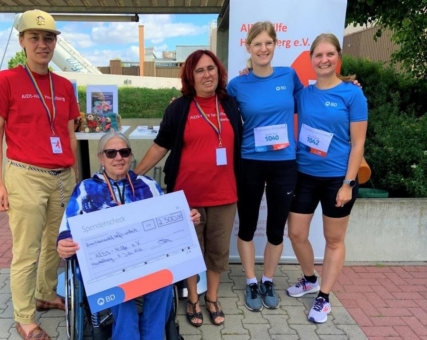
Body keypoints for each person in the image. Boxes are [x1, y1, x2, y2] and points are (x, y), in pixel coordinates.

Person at [0, 9, 79, 340]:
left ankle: (45, 293)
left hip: (62, 175)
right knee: (26, 250)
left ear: (55, 43)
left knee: (56, 240)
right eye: (35, 37)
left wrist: (75, 178)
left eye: (49, 38)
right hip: (25, 175)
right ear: (22, 41)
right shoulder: (6, 81)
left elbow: (68, 135)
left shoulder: (65, 85)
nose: (43, 44)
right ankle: (24, 317)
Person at [56, 132, 201, 340]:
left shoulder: (147, 185)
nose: (118, 157)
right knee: (122, 297)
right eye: (111, 152)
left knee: (164, 281)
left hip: (147, 262)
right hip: (107, 267)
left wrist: (186, 219)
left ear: (130, 156)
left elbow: (168, 218)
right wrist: (63, 244)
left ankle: (153, 335)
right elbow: (67, 228)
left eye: (124, 152)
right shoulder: (86, 189)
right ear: (101, 158)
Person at [134, 50, 242, 327]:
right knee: (189, 251)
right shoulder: (179, 108)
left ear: (219, 72)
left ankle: (213, 297)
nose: (207, 75)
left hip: (224, 194)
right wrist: (133, 176)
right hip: (186, 196)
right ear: (190, 77)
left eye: (211, 69)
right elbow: (160, 146)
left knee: (217, 251)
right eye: (199, 71)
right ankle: (193, 298)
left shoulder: (230, 104)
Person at [286, 33, 368, 324]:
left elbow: (358, 143)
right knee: (296, 233)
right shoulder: (304, 94)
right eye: (318, 55)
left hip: (338, 179)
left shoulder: (352, 93)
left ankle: (324, 297)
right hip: (304, 175)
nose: (324, 60)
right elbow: (272, 100)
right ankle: (310, 279)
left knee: (334, 240)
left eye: (329, 54)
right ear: (311, 60)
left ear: (338, 58)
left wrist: (348, 183)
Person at [227, 21, 303, 312]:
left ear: (275, 45)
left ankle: (268, 279)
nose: (263, 48)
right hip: (250, 162)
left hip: (284, 163)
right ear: (248, 47)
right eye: (257, 44)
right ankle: (250, 281)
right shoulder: (237, 84)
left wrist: (347, 84)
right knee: (246, 226)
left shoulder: (289, 75)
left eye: (268, 43)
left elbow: (309, 99)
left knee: (275, 229)